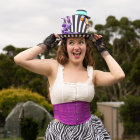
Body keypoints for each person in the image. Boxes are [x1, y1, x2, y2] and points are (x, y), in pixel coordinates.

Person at [14, 9, 125, 140]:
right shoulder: (53, 67)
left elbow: (119, 75)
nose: (76, 47)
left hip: (89, 133)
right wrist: (44, 46)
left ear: (86, 46)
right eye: (71, 42)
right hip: (59, 134)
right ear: (65, 47)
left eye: (80, 42)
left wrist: (103, 51)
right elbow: (19, 59)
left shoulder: (92, 74)